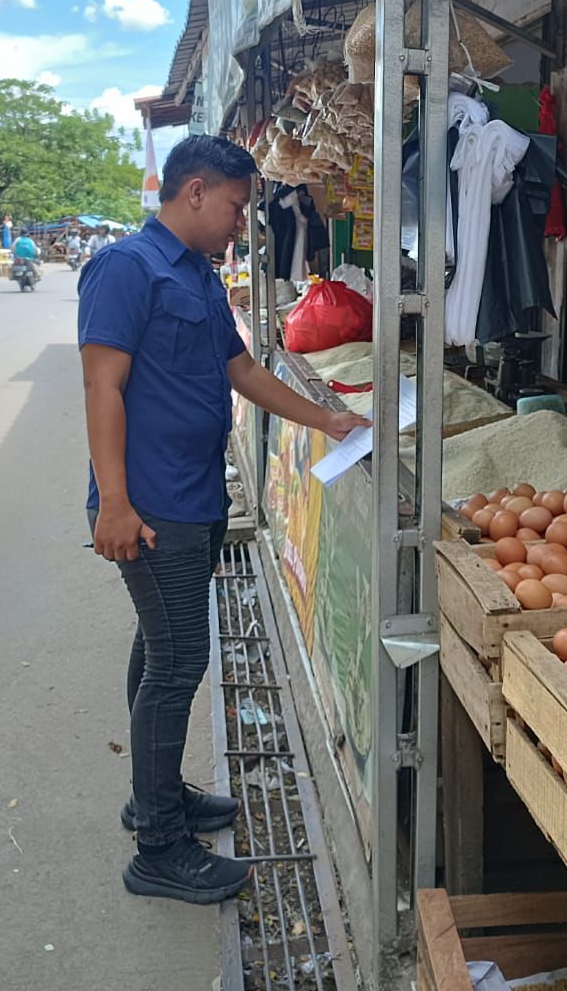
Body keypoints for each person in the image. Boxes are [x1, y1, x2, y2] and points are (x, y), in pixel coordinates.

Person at [79, 135, 365, 905]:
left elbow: (240, 369)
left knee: (159, 648)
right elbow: (103, 387)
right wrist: (114, 502)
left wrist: (326, 419)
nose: (242, 223)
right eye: (237, 207)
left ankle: (156, 795)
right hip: (151, 507)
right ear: (196, 191)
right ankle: (159, 849)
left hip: (195, 496)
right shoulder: (126, 268)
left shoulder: (200, 274)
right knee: (176, 663)